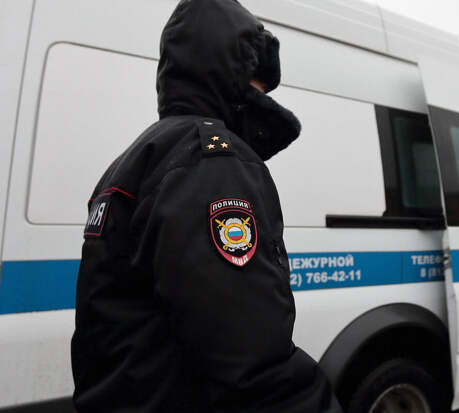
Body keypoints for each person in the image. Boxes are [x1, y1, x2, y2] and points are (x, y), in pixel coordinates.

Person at [71, 0, 343, 411]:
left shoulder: (138, 157)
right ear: (228, 70)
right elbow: (249, 361)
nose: (264, 95)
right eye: (258, 78)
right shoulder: (210, 162)